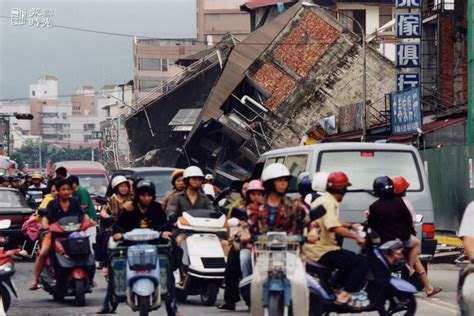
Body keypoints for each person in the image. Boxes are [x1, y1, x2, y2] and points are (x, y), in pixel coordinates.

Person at [244, 163, 313, 316]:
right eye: (279, 180)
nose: (283, 183)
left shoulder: (295, 205)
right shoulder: (255, 208)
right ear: (269, 183)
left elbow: (310, 221)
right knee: (256, 283)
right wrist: (242, 233)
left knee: (299, 283)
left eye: (285, 180)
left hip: (291, 254)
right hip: (264, 254)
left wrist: (313, 231)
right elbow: (246, 226)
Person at [111, 180, 179, 316]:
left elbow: (165, 225)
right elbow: (118, 226)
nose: (146, 198)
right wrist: (118, 234)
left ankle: (172, 307)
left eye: (149, 195)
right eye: (143, 195)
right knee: (113, 263)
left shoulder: (157, 208)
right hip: (131, 246)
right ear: (137, 196)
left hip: (155, 245)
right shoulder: (129, 208)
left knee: (169, 269)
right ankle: (108, 303)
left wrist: (166, 232)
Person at [306, 171, 368, 308]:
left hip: (312, 250)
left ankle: (334, 288)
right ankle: (345, 294)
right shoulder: (330, 203)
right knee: (361, 262)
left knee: (346, 259)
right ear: (342, 190)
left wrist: (351, 225)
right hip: (322, 251)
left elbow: (331, 221)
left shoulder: (322, 199)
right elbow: (333, 227)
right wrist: (357, 237)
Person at [29, 179, 88, 290]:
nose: (66, 192)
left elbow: (82, 215)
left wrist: (88, 223)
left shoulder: (75, 202)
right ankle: (35, 280)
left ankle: (89, 277)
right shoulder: (52, 204)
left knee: (85, 249)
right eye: (63, 189)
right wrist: (45, 225)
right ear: (58, 191)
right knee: (43, 253)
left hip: (73, 234)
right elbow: (46, 217)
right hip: (55, 235)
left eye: (68, 189)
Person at [392, 176, 442, 297]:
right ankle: (410, 269)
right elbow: (413, 224)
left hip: (389, 239)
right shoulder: (406, 204)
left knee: (417, 262)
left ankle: (428, 287)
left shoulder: (386, 203)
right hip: (405, 240)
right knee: (415, 253)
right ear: (403, 190)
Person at [218, 179, 262, 311]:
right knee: (239, 262)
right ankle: (244, 296)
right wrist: (240, 237)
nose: (256, 196)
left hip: (265, 246)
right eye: (252, 193)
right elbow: (232, 228)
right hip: (244, 246)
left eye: (259, 193)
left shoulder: (269, 208)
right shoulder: (240, 208)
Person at [368, 176, 420, 275]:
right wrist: (411, 232)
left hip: (383, 241)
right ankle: (411, 268)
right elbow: (408, 219)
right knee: (417, 243)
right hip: (401, 239)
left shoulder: (374, 206)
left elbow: (372, 225)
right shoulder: (399, 202)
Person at [97, 176, 133, 270]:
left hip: (130, 228)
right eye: (121, 186)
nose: (124, 188)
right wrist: (108, 217)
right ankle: (105, 265)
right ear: (116, 187)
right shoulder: (111, 199)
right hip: (113, 227)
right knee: (106, 241)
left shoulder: (132, 199)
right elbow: (103, 211)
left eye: (125, 186)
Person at [68, 175, 97, 255]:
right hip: (80, 221)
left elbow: (84, 205)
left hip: (90, 219)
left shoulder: (82, 191)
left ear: (74, 183)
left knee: (91, 241)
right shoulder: (73, 192)